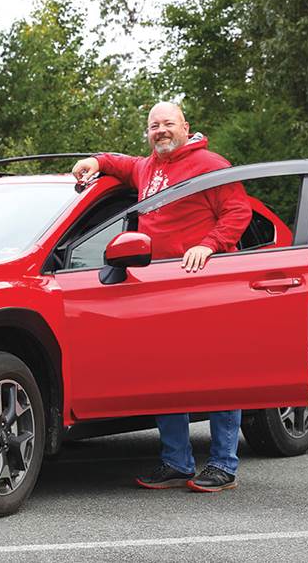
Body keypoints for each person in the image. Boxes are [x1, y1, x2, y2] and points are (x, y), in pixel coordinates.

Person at [71, 102, 252, 492]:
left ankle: (223, 464)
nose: (161, 131)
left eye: (168, 123)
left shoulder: (211, 165)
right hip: (160, 287)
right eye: (154, 126)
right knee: (165, 374)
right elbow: (121, 163)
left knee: (218, 376)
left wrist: (210, 244)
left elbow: (239, 212)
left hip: (206, 283)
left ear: (186, 126)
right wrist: (94, 161)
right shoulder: (147, 167)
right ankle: (176, 462)